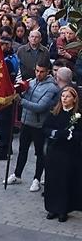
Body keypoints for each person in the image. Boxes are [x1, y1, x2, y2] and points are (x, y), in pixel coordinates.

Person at [5, 59, 59, 192]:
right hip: (26, 122)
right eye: (37, 71)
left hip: (39, 125)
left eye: (42, 72)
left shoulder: (51, 88)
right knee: (22, 150)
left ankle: (36, 179)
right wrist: (20, 90)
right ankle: (17, 175)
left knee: (39, 154)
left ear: (48, 72)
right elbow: (25, 94)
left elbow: (41, 107)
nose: (38, 74)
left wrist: (21, 101)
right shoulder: (32, 82)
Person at [42, 86, 82, 222]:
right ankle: (52, 208)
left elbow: (79, 133)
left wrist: (71, 135)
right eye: (63, 96)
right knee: (52, 180)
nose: (64, 99)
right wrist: (55, 134)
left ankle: (63, 210)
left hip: (69, 153)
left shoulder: (77, 115)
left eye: (68, 96)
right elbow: (45, 128)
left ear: (74, 99)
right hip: (54, 152)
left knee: (64, 181)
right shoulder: (55, 112)